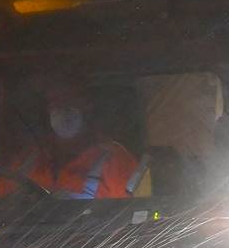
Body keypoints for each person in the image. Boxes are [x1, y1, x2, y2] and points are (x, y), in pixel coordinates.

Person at [13, 78, 141, 199]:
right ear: (47, 109)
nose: (62, 107)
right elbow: (2, 203)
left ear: (88, 105)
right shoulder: (29, 160)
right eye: (54, 100)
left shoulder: (116, 162)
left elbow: (137, 212)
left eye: (69, 99)